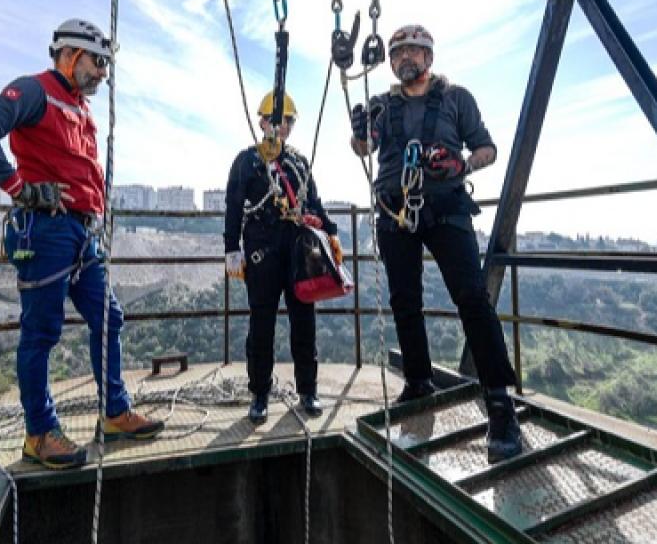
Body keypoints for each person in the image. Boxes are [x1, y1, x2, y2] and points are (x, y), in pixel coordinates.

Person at [0, 18, 163, 470]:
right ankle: (39, 434)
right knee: (42, 332)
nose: (103, 74)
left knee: (108, 317)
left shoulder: (78, 107)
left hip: (81, 233)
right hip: (46, 230)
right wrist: (18, 187)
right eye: (97, 63)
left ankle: (113, 412)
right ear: (71, 55)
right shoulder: (34, 91)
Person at [348, 24, 522, 460]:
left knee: (472, 298)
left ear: (429, 57)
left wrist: (460, 165)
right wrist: (357, 130)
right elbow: (363, 148)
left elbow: (488, 149)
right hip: (395, 210)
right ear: (391, 62)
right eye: (398, 53)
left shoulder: (456, 98)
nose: (406, 58)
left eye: (414, 51)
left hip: (446, 207)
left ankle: (500, 403)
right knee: (405, 299)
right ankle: (418, 379)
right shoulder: (382, 107)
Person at [224, 91, 342, 424]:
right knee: (261, 324)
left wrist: (331, 232)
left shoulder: (298, 162)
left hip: (296, 253)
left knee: (304, 321)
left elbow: (313, 203)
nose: (280, 126)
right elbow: (234, 205)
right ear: (261, 122)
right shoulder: (247, 161)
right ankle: (259, 392)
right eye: (274, 120)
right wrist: (231, 248)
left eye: (286, 121)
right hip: (263, 253)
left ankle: (308, 389)